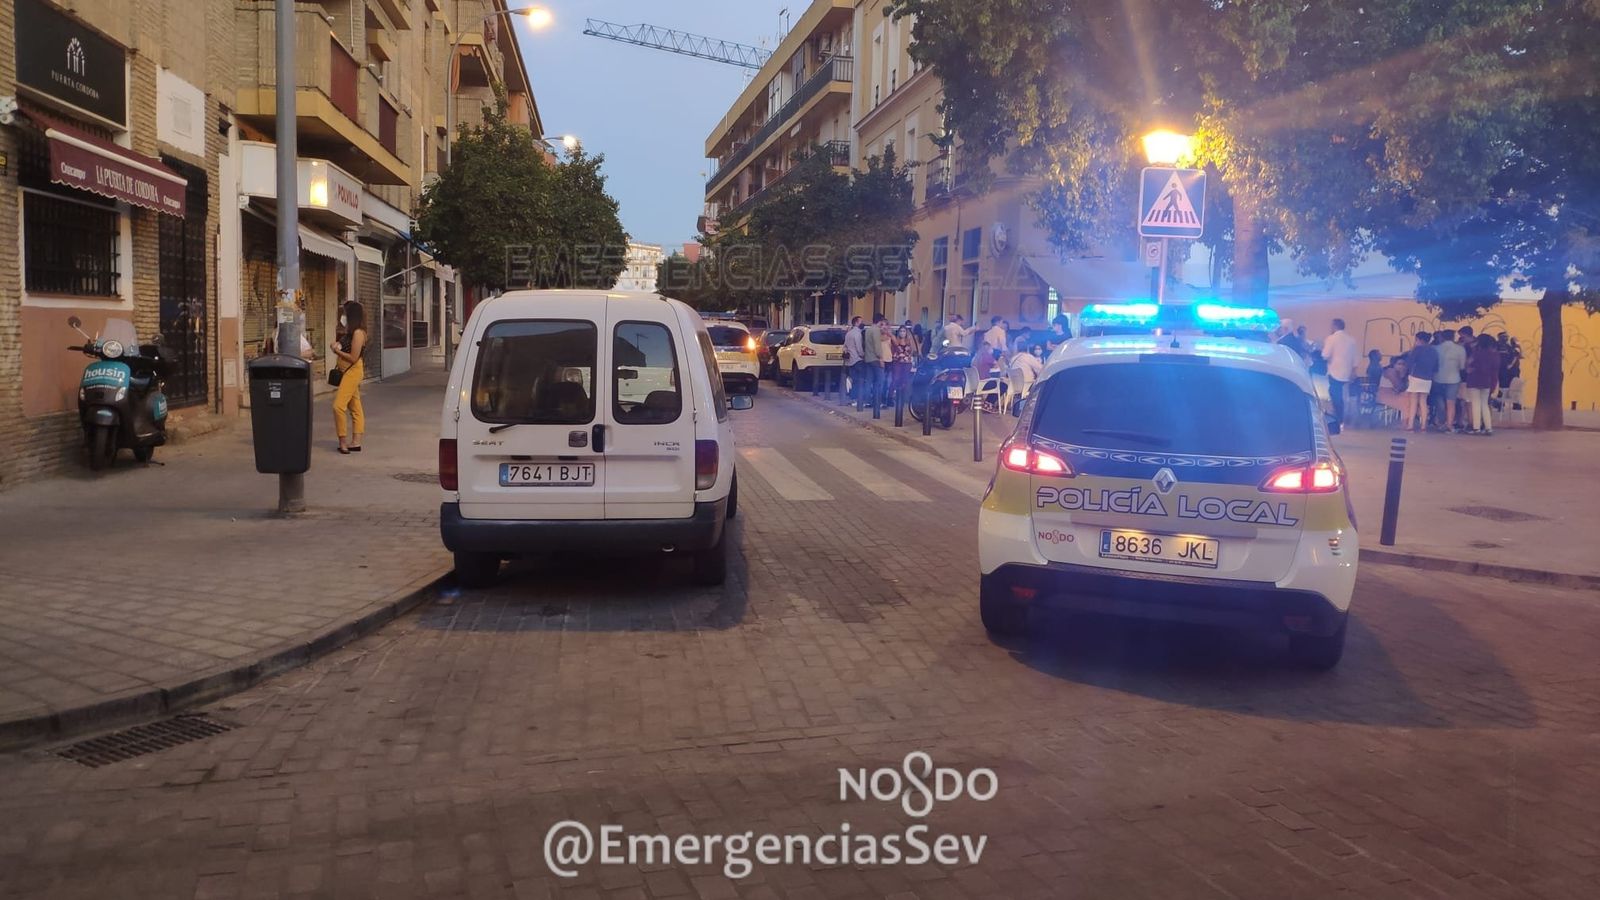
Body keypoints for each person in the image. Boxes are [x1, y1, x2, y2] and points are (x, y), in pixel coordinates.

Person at [330, 301, 367, 454]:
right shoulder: (349, 331)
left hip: (352, 371)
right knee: (355, 407)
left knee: (338, 406)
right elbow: (343, 344)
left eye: (345, 313)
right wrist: (337, 344)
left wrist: (336, 351)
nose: (342, 316)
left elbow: (353, 357)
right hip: (346, 371)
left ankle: (343, 442)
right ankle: (356, 442)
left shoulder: (358, 333)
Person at [1320, 318, 1359, 432]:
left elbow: (1325, 354)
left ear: (1334, 326)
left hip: (1334, 371)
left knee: (1335, 395)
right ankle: (1343, 420)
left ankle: (1338, 419)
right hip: (1347, 372)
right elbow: (1355, 358)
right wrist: (1353, 371)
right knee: (1343, 396)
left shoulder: (1331, 338)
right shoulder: (1351, 340)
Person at [1464, 333, 1501, 435]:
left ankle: (1477, 428)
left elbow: (1468, 363)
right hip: (1487, 381)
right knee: (1484, 404)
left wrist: (1469, 368)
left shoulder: (1476, 353)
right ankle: (1488, 428)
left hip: (1474, 380)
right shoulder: (1494, 354)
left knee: (1476, 403)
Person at [1430, 328, 1466, 432]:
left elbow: (1433, 365)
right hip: (1454, 378)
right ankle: (1449, 425)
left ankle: (1441, 421)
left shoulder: (1436, 349)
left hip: (1438, 378)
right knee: (1451, 402)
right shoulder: (1460, 349)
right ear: (1453, 337)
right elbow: (1462, 366)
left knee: (1439, 400)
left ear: (1442, 337)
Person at [1402, 331, 1437, 433]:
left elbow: (1409, 363)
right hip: (1428, 379)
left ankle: (1410, 426)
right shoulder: (1433, 351)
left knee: (1413, 402)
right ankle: (1423, 426)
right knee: (1423, 402)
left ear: (1419, 340)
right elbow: (1436, 367)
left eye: (1416, 340)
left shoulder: (1417, 349)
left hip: (1416, 377)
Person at [1009, 343, 1045, 414]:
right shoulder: (1028, 357)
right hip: (1027, 384)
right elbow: (1040, 369)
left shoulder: (1013, 358)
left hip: (1015, 385)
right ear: (1027, 349)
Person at [890, 322, 916, 404]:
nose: (902, 333)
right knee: (895, 379)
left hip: (907, 363)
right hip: (897, 362)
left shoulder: (909, 341)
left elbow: (913, 351)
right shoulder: (895, 341)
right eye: (901, 331)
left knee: (905, 380)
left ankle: (903, 398)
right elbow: (892, 350)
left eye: (904, 331)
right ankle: (890, 397)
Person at [843, 316, 865, 401]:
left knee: (853, 379)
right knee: (859, 380)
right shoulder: (857, 333)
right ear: (856, 323)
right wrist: (863, 355)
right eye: (861, 321)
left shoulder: (849, 333)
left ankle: (852, 396)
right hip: (857, 359)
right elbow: (859, 347)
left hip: (849, 360)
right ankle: (857, 397)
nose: (862, 323)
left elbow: (845, 346)